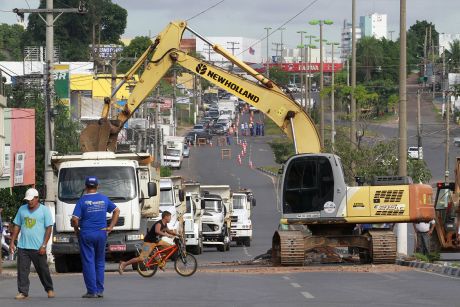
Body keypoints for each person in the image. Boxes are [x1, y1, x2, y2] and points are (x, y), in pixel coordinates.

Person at [71, 176, 120, 299]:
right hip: (102, 233)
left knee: (88, 262)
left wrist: (77, 230)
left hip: (87, 234)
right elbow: (117, 211)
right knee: (99, 261)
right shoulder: (103, 199)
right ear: (97, 186)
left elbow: (74, 219)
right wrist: (111, 226)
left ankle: (91, 291)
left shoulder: (82, 201)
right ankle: (99, 290)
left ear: (86, 187)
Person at [9, 188, 54, 300]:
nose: (29, 202)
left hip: (38, 247)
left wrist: (44, 245)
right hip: (23, 246)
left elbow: (49, 228)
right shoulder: (22, 209)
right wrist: (12, 242)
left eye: (31, 200)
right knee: (22, 271)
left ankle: (49, 289)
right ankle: (23, 292)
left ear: (37, 198)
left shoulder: (44, 210)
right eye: (27, 200)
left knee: (43, 270)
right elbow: (17, 226)